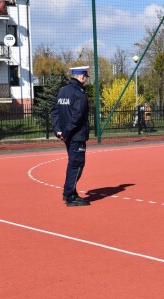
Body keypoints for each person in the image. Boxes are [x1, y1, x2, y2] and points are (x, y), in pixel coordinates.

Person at [51, 66, 91, 207]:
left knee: (72, 164)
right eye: (85, 77)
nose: (86, 79)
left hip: (67, 135)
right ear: (81, 77)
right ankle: (70, 196)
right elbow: (78, 116)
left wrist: (58, 130)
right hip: (76, 135)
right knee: (76, 165)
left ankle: (69, 193)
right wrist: (67, 132)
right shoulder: (79, 93)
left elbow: (54, 112)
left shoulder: (63, 91)